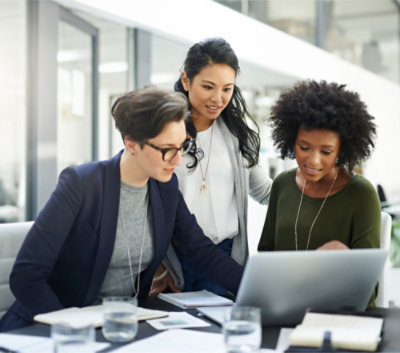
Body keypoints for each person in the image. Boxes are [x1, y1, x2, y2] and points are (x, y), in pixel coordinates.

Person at [0, 86, 243, 332]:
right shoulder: (82, 184)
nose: (178, 160)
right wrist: (71, 330)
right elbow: (26, 276)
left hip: (121, 326)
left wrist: (252, 286)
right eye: (167, 150)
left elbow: (200, 251)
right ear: (132, 143)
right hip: (54, 329)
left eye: (182, 147)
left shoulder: (165, 188)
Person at [151, 38, 271, 297]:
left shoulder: (239, 136)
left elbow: (265, 191)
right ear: (186, 81)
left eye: (227, 89)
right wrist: (158, 264)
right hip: (173, 261)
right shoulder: (162, 132)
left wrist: (315, 182)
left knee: (220, 334)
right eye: (208, 87)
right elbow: (144, 201)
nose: (218, 98)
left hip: (224, 258)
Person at [258, 80, 380, 253]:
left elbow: (367, 275)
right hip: (281, 281)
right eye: (304, 147)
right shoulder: (282, 184)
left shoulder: (361, 194)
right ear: (292, 141)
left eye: (326, 151)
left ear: (341, 150)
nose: (313, 161)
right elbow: (265, 252)